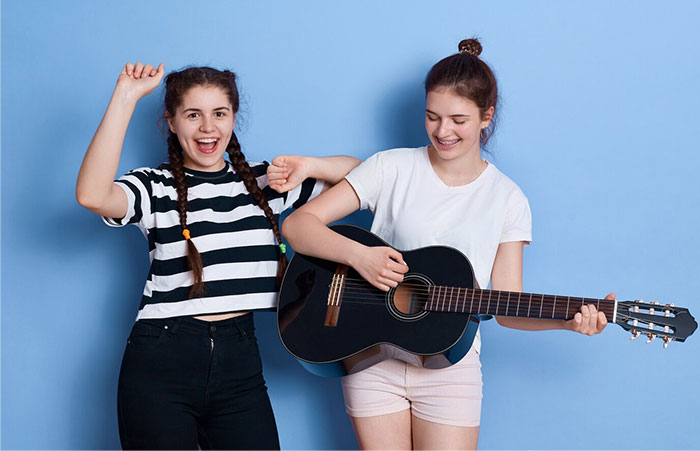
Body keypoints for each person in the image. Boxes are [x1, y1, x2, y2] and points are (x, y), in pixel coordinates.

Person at [277, 39, 614, 450]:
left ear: (486, 117)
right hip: (370, 354)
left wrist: (567, 320)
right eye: (432, 117)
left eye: (458, 119)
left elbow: (508, 306)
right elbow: (298, 226)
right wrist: (360, 257)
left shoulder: (508, 199)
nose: (443, 131)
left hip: (451, 368)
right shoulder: (392, 167)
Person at [76, 62, 360, 450]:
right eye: (193, 115)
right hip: (161, 357)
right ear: (172, 123)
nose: (208, 127)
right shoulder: (153, 187)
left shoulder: (267, 183)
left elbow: (367, 180)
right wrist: (125, 97)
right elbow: (92, 195)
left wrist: (309, 166)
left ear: (233, 119)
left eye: (219, 114)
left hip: (240, 358)